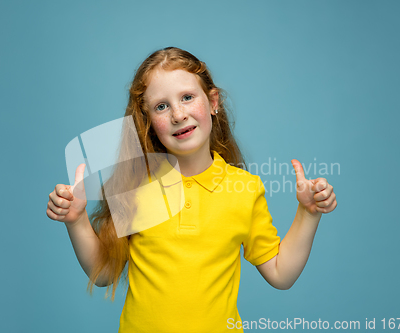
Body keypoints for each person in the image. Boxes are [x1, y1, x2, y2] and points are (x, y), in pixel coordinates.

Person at [46, 47, 337, 332]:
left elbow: (280, 273)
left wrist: (309, 213)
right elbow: (105, 274)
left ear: (213, 102)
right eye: (161, 106)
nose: (178, 114)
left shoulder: (245, 189)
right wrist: (76, 219)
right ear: (147, 122)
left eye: (187, 97)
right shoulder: (135, 185)